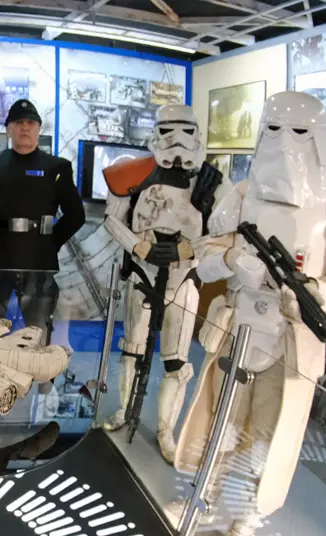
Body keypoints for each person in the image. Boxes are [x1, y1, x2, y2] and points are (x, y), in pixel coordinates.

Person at [167, 91, 326, 535]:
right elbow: (206, 253)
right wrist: (233, 262)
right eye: (273, 129)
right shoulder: (244, 194)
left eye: (299, 132)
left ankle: (247, 513)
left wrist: (310, 291)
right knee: (220, 418)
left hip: (289, 340)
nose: (285, 143)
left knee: (268, 431)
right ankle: (203, 497)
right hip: (237, 327)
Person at [100, 104, 223, 463]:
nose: (177, 140)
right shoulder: (133, 173)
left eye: (186, 130)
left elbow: (222, 231)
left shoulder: (213, 181)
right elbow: (112, 221)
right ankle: (125, 411)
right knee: (132, 350)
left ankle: (167, 431)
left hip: (184, 276)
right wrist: (140, 246)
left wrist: (190, 246)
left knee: (176, 362)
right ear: (156, 131)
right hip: (143, 272)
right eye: (169, 130)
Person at [0, 99, 84, 344]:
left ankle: (40, 381)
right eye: (18, 122)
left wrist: (50, 243)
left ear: (39, 129)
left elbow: (76, 216)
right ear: (8, 129)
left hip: (38, 262)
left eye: (31, 123)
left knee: (37, 332)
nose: (25, 128)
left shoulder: (56, 168)